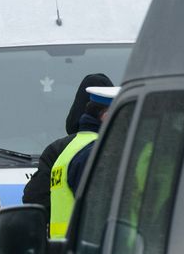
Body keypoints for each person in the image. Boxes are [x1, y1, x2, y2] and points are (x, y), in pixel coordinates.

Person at [23, 73, 114, 216]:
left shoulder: (59, 150)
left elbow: (34, 200)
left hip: (62, 237)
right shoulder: (116, 148)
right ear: (107, 115)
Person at [47, 83, 115, 239]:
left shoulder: (71, 148)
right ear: (106, 116)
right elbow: (100, 213)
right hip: (88, 253)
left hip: (66, 252)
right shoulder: (98, 152)